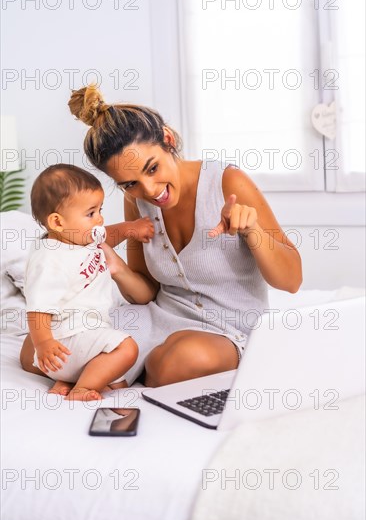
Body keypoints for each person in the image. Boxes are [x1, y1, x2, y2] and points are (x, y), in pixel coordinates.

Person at [21, 85, 302, 388]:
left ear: (167, 139)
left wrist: (253, 231)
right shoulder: (136, 200)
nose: (151, 190)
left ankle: (110, 371)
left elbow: (292, 281)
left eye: (152, 168)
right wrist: (118, 269)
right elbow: (144, 293)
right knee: (32, 350)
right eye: (130, 183)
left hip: (229, 329)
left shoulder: (228, 182)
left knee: (175, 361)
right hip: (158, 317)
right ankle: (107, 372)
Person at [22, 164, 154, 400]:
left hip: (83, 338)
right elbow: (38, 308)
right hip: (68, 338)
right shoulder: (50, 258)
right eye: (91, 213)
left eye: (100, 209)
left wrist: (130, 229)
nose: (100, 219)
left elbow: (108, 235)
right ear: (57, 222)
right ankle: (81, 389)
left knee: (118, 384)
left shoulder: (78, 236)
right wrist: (43, 344)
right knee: (126, 349)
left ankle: (68, 380)